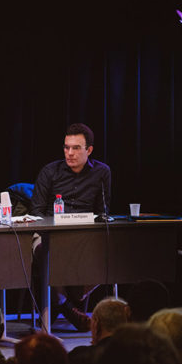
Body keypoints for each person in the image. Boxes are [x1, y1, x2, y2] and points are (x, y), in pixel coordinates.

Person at [29, 122, 112, 330]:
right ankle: (68, 307)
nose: (70, 153)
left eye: (76, 148)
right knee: (42, 252)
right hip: (50, 234)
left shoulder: (102, 172)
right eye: (66, 147)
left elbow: (103, 211)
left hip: (85, 235)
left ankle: (76, 295)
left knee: (111, 252)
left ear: (89, 150)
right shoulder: (50, 171)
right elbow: (36, 211)